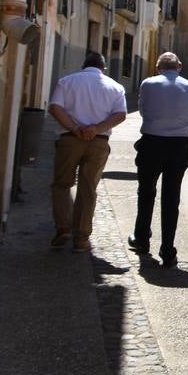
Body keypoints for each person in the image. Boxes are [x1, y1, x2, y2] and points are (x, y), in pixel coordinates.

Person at [48, 51, 127, 251]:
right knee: (88, 188)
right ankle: (81, 238)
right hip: (98, 142)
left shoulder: (67, 81)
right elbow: (120, 114)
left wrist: (75, 128)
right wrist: (96, 129)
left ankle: (63, 228)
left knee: (61, 185)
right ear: (104, 68)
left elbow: (55, 108)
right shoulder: (115, 87)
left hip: (69, 139)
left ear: (84, 65)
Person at [127, 51, 188, 267]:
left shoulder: (148, 83)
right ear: (180, 66)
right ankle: (167, 249)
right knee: (171, 197)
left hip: (152, 141)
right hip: (179, 144)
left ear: (158, 68)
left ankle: (141, 239)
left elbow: (143, 111)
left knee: (146, 191)